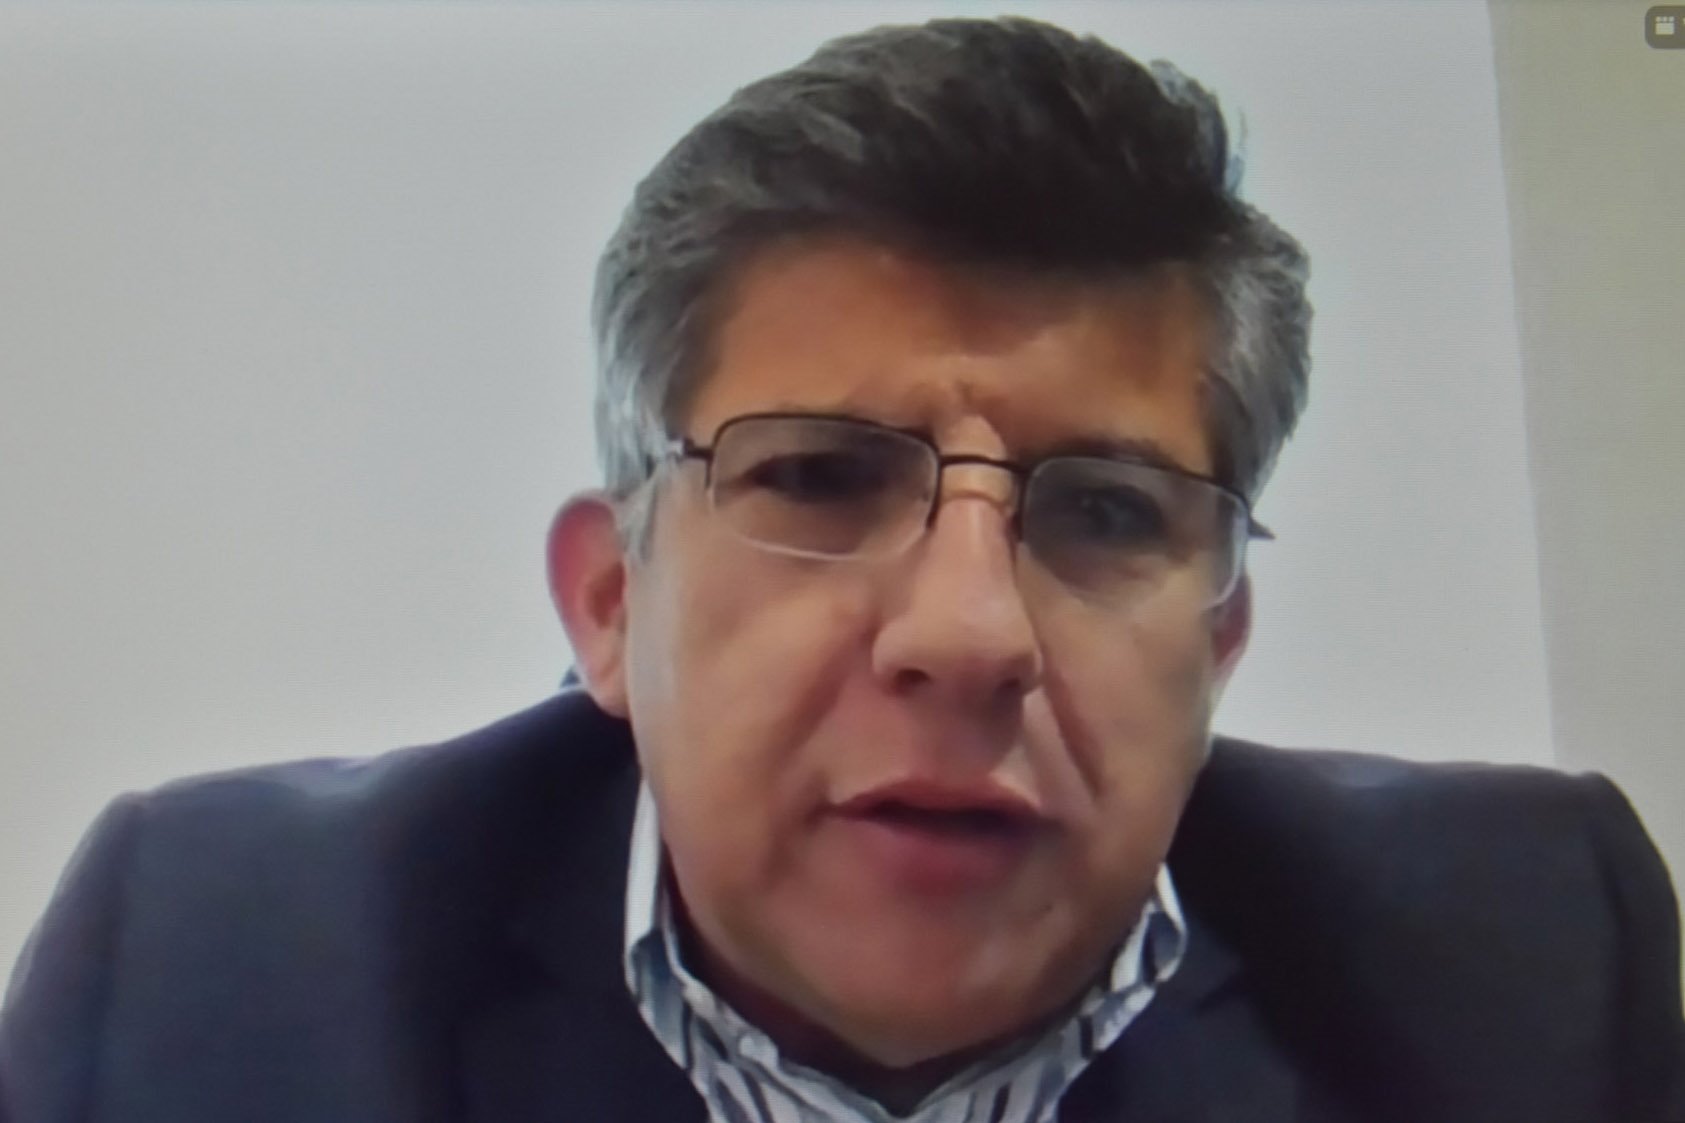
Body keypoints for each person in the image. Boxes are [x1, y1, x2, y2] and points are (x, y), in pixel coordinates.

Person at [2, 15, 1681, 1123]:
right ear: (610, 604)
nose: (968, 631)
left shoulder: (1522, 970)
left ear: (1218, 640)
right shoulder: (214, 984)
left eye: (1106, 514)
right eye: (815, 476)